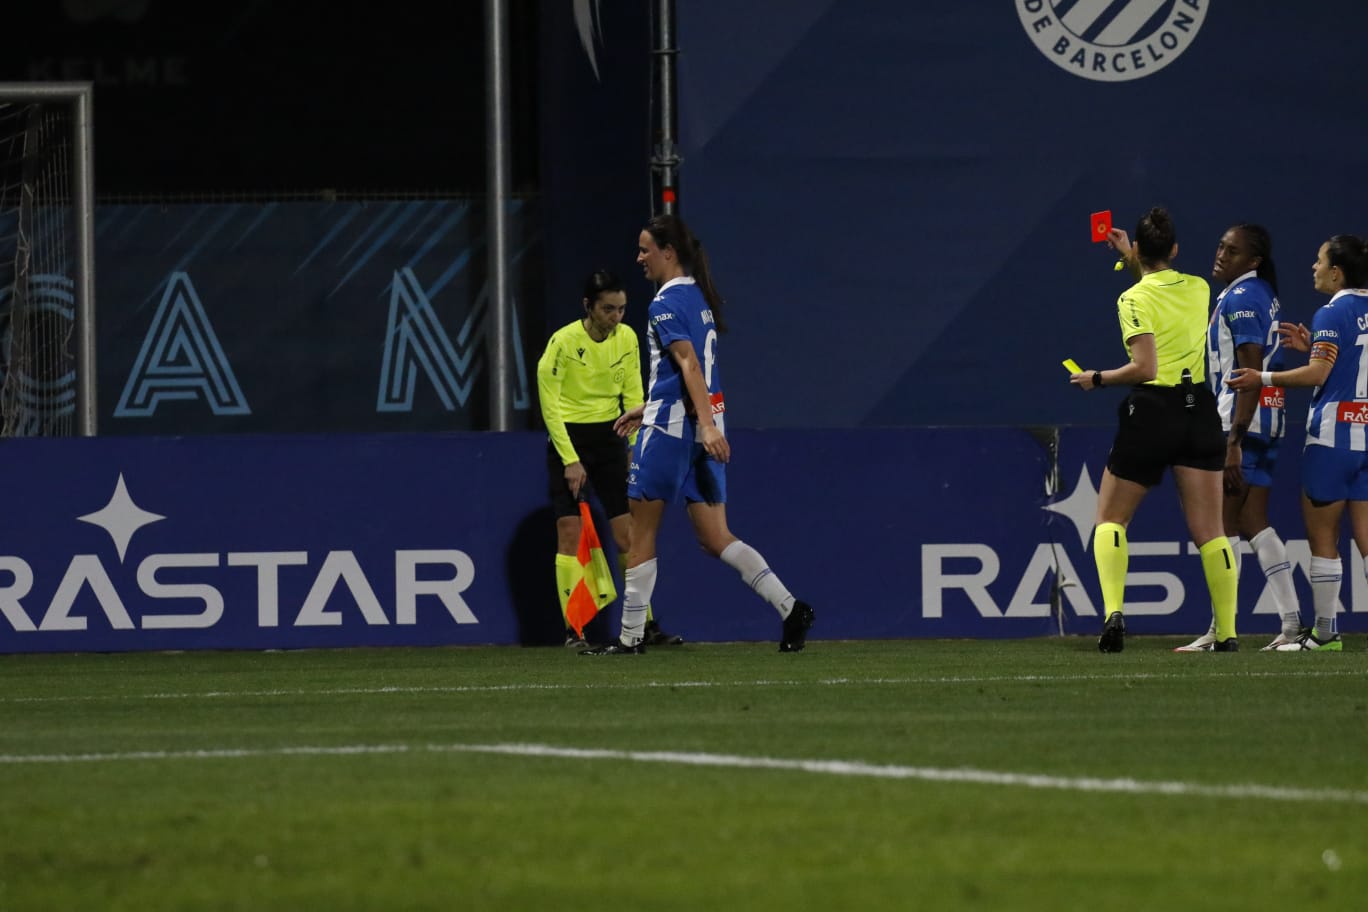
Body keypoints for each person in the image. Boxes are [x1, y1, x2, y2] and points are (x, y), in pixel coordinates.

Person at [581, 214, 815, 655]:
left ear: (668, 252)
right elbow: (692, 371)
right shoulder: (698, 298)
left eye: (645, 249)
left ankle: (630, 638)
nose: (639, 258)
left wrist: (696, 423)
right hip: (698, 427)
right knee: (715, 537)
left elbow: (689, 363)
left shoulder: (663, 303)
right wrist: (665, 410)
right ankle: (791, 608)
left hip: (675, 432)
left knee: (639, 533)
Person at [1069, 207, 1239, 653]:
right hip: (1198, 412)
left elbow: (1145, 367)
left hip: (1152, 413)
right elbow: (1159, 286)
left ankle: (1113, 614)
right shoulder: (1200, 288)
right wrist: (1132, 257)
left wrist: (1097, 378)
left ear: (1140, 248)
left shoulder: (1131, 300)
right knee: (1212, 531)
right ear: (1176, 250)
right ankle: (1227, 634)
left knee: (1110, 519)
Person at [1228, 234, 1368, 652]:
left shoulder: (1333, 311)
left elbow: (1317, 375)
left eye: (1319, 260)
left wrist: (1262, 377)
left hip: (1332, 439)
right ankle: (1323, 633)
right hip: (1366, 435)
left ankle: (1325, 633)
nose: (1314, 267)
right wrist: (1316, 350)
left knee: (1323, 538)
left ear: (1337, 272)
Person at [535, 269, 684, 649]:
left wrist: (634, 446)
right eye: (608, 309)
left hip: (611, 439)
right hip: (569, 440)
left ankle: (643, 624)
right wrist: (570, 460)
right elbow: (550, 406)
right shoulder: (562, 343)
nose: (616, 317)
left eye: (621, 309)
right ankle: (574, 630)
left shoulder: (628, 338)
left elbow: (633, 394)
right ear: (588, 306)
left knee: (628, 535)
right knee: (569, 532)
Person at [1176, 224, 1303, 652]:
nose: (1221, 255)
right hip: (1269, 419)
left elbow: (1250, 371)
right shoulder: (1258, 293)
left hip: (1241, 422)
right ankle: (1291, 624)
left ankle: (1221, 629)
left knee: (1221, 527)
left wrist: (1233, 441)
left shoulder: (1244, 298)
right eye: (1220, 247)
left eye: (1232, 251)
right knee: (1253, 522)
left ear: (1254, 261)